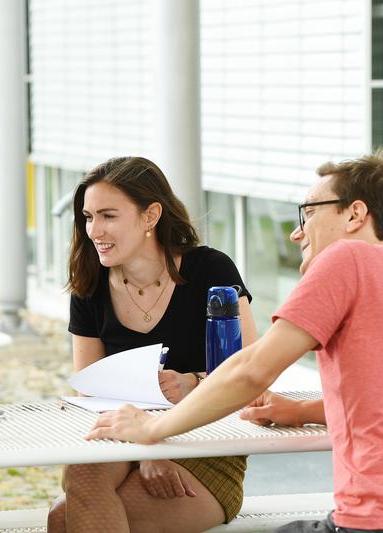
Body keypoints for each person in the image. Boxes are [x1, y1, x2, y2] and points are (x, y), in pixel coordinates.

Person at [86, 149, 383, 533]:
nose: (297, 234)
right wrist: (301, 410)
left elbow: (252, 369)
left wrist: (152, 427)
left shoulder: (346, 259)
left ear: (355, 214)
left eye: (307, 214)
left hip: (382, 520)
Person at [47, 156, 259, 533]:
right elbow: (90, 392)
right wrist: (144, 443)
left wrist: (189, 387)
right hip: (123, 436)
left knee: (63, 519)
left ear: (150, 216)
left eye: (108, 216)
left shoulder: (211, 270)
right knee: (79, 475)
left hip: (205, 444)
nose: (94, 230)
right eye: (88, 216)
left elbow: (251, 375)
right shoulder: (89, 284)